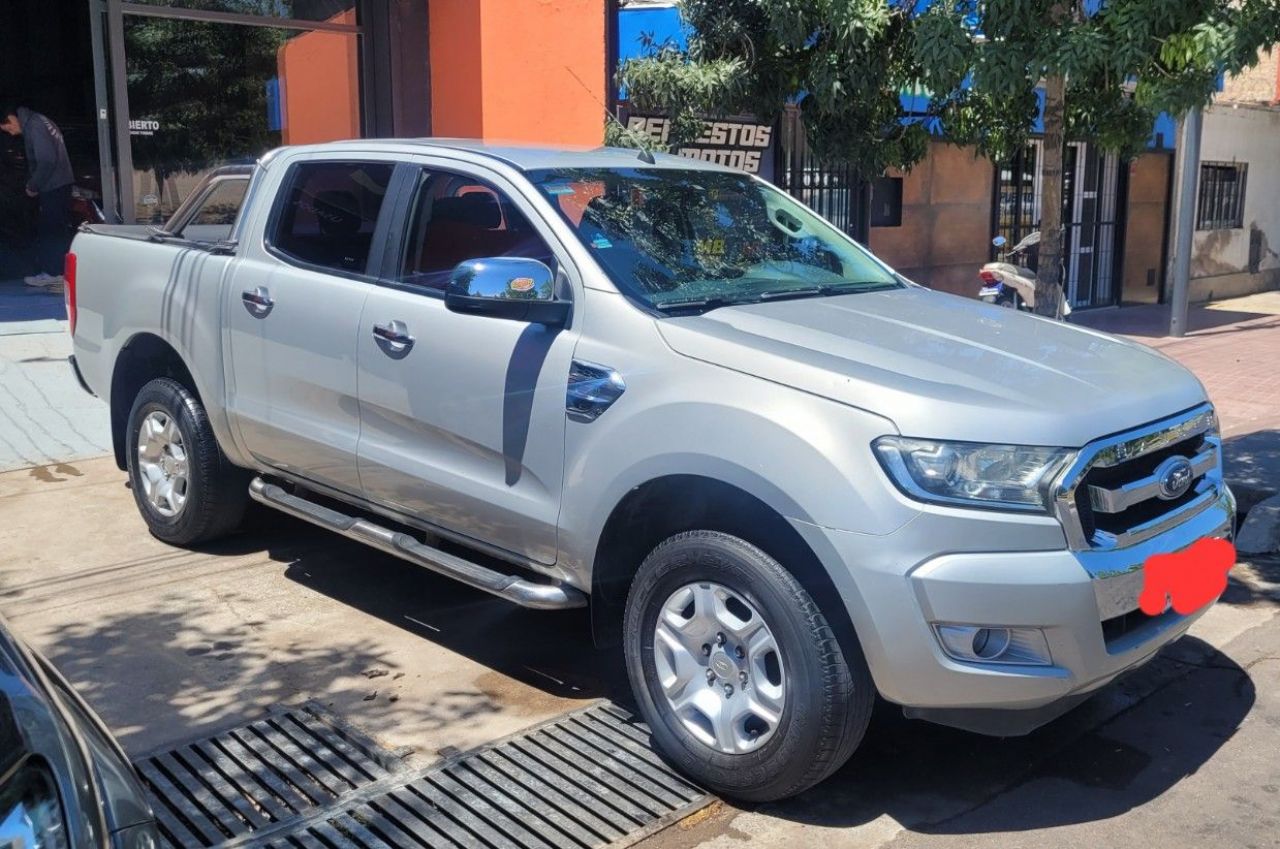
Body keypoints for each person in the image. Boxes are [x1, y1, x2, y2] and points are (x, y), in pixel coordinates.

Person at [0, 104, 74, 291]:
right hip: (61, 184)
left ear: (12, 118)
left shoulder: (34, 125)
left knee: (50, 230)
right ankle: (58, 273)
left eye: (8, 128)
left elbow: (47, 160)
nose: (10, 133)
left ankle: (52, 273)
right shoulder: (41, 120)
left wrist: (33, 185)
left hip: (53, 186)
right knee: (57, 229)